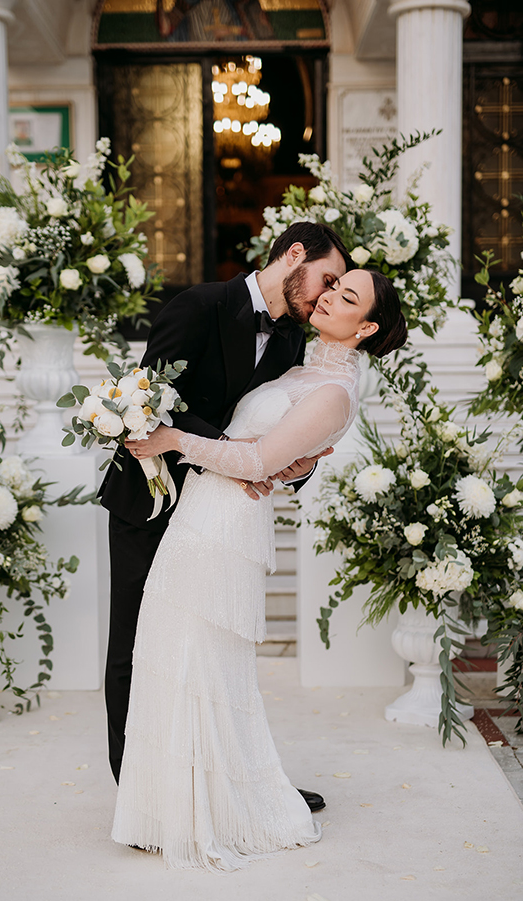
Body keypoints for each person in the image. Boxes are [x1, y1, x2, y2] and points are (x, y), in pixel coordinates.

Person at [114, 267, 408, 870]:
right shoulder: (303, 365)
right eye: (332, 285)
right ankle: (168, 807)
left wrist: (172, 440)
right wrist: (285, 465)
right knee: (171, 656)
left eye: (346, 296)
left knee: (202, 664)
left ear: (367, 326)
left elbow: (255, 458)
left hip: (224, 529)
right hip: (202, 512)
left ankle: (216, 808)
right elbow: (270, 450)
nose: (328, 295)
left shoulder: (333, 390)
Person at [99, 222, 351, 817]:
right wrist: (243, 462)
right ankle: (140, 796)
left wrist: (289, 464)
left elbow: (281, 433)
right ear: (294, 255)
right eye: (326, 278)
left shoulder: (293, 340)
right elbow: (148, 405)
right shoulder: (197, 306)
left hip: (217, 519)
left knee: (209, 648)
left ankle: (237, 778)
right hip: (153, 500)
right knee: (134, 643)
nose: (325, 295)